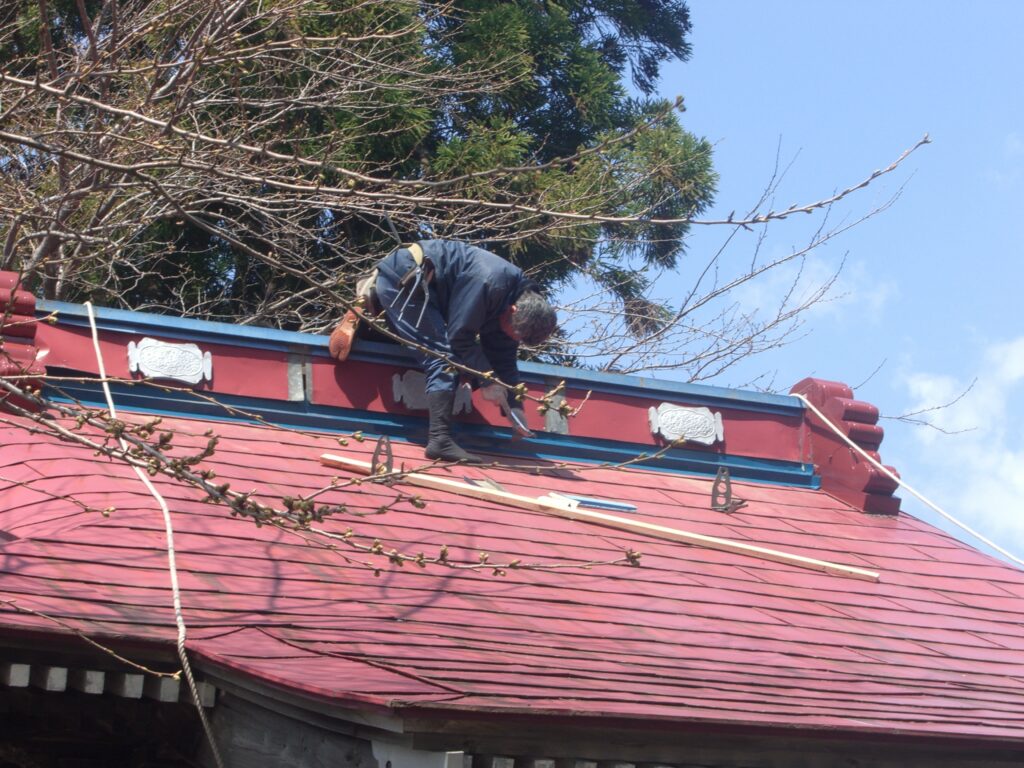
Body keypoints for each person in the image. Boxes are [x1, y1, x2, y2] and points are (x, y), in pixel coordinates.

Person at [329, 240, 557, 462]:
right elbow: (459, 338)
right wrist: (487, 381)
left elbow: (504, 358)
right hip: (407, 279)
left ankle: (371, 325)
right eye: (513, 332)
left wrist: (515, 408)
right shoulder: (489, 282)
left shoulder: (513, 308)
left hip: (428, 292)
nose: (512, 338)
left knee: (420, 346)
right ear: (512, 310)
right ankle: (440, 440)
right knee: (442, 359)